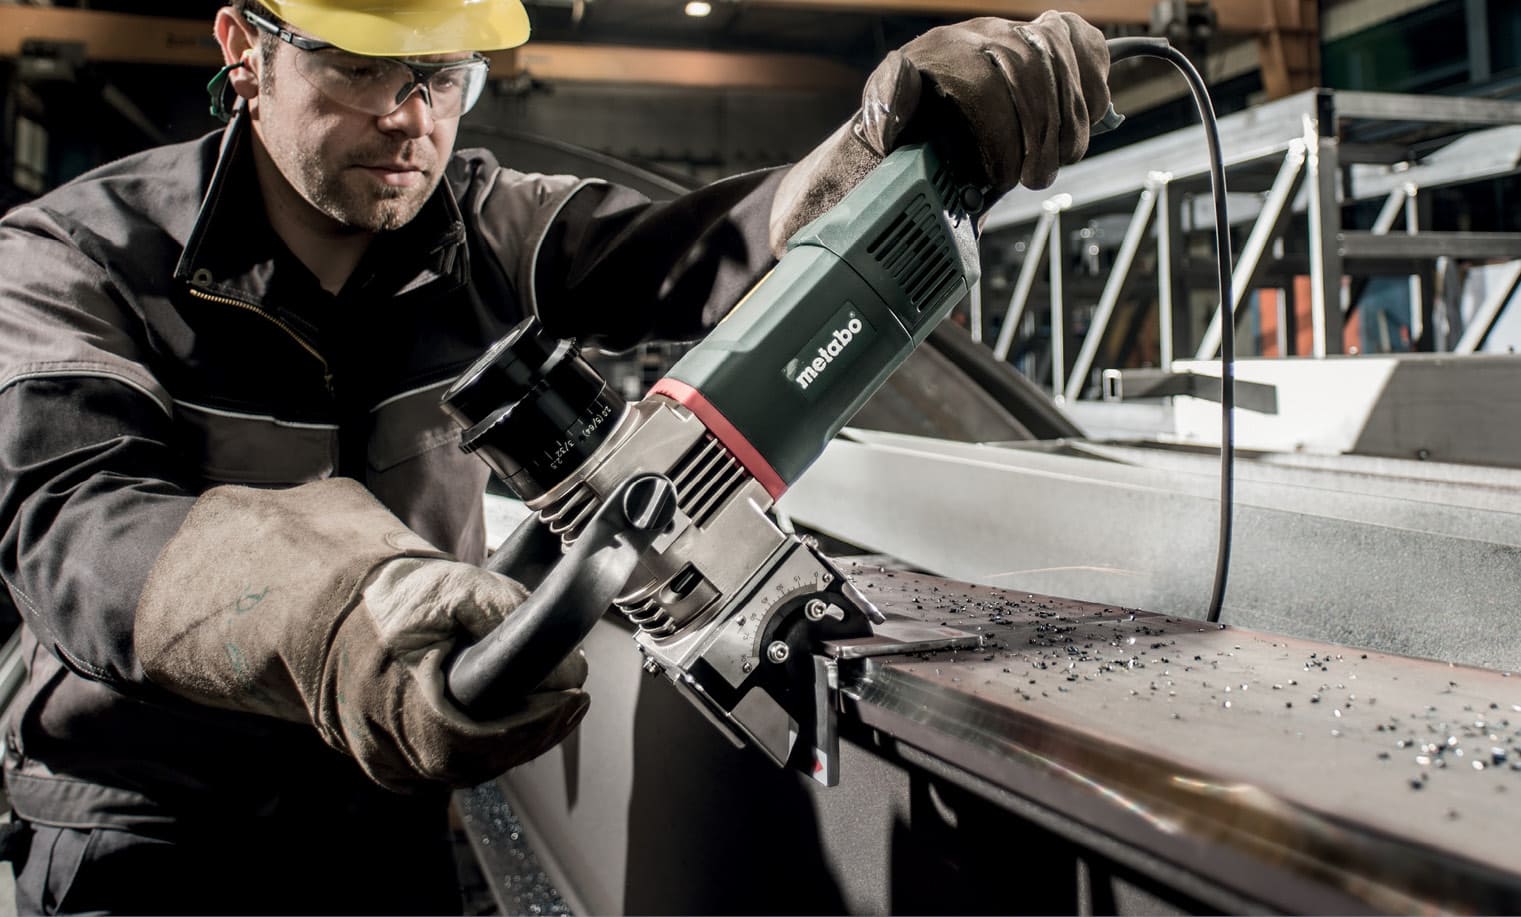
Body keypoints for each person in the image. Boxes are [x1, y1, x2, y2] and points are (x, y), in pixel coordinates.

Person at [0, 0, 1109, 911]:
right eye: (361, 68)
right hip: (143, 827)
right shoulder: (75, 257)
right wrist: (338, 614)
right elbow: (77, 524)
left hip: (389, 806)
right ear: (244, 49)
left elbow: (706, 248)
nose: (409, 117)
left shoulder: (484, 229)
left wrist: (882, 151)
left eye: (443, 76)